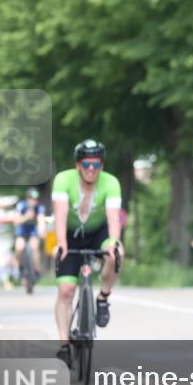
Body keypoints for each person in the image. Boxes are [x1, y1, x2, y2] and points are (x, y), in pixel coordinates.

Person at [51, 139, 124, 367]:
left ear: (102, 165)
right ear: (78, 165)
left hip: (98, 231)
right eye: (86, 164)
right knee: (66, 291)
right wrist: (61, 243)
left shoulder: (111, 182)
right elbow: (61, 215)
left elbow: (113, 218)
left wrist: (113, 243)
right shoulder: (63, 180)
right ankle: (65, 345)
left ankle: (103, 298)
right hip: (70, 233)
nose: (91, 169)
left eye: (96, 164)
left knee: (117, 252)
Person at [14, 187, 46, 286]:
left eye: (35, 199)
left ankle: (37, 271)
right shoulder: (21, 205)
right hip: (22, 231)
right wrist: (26, 217)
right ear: (27, 198)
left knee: (34, 247)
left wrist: (42, 231)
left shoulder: (39, 207)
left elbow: (41, 220)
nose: (33, 201)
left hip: (33, 231)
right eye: (31, 198)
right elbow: (16, 221)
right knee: (19, 248)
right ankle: (21, 267)